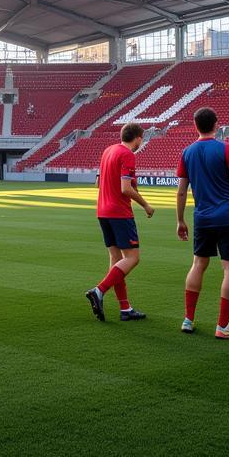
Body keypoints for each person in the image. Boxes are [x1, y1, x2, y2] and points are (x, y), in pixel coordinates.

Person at [176, 107, 229, 340]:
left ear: (195, 125)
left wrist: (180, 220)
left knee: (198, 264)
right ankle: (223, 326)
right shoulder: (226, 148)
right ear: (216, 124)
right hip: (228, 217)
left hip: (201, 218)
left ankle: (188, 319)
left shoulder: (187, 152)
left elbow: (181, 191)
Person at [85, 122, 154, 322]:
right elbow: (125, 188)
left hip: (103, 211)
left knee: (116, 261)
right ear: (138, 138)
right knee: (132, 258)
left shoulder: (108, 151)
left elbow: (98, 183)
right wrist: (146, 205)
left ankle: (125, 309)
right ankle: (99, 291)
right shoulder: (127, 155)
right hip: (119, 213)